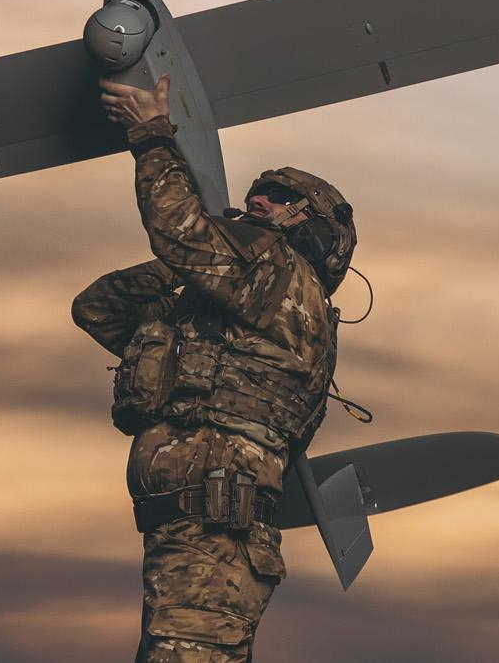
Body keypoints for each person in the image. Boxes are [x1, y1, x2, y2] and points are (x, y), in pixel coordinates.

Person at [73, 75, 356, 662]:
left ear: (310, 223)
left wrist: (151, 134)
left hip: (213, 534)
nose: (257, 200)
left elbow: (177, 229)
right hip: (190, 535)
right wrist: (193, 271)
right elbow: (98, 307)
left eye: (276, 196)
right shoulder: (242, 302)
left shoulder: (281, 276)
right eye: (257, 191)